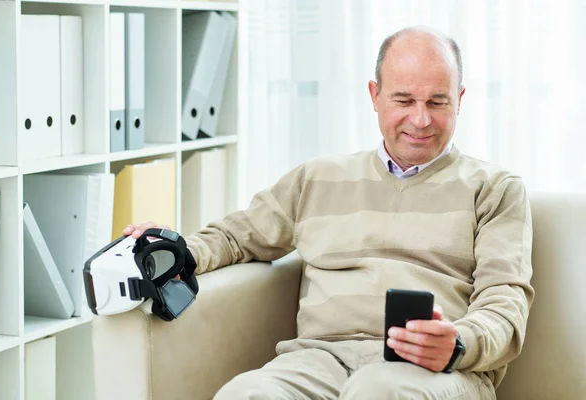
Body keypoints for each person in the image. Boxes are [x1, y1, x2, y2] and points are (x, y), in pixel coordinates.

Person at [124, 26, 534, 399]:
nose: (421, 119)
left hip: (432, 371)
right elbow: (236, 236)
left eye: (437, 101)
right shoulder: (319, 178)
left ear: (459, 100)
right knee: (245, 395)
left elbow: (505, 305)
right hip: (319, 359)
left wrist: (457, 343)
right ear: (375, 96)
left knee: (376, 392)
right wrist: (176, 248)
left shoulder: (495, 189)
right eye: (404, 100)